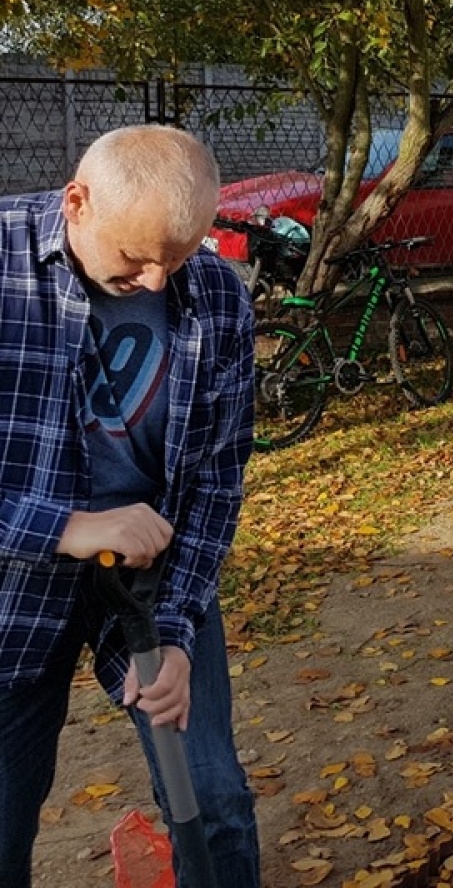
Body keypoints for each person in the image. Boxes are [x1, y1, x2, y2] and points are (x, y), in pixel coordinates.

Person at [0, 125, 260, 886]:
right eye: (136, 257)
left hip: (153, 582)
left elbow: (216, 481)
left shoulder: (216, 295)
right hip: (13, 589)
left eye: (175, 257)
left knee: (214, 801)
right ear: (77, 202)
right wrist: (65, 527)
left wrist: (176, 632)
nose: (155, 282)